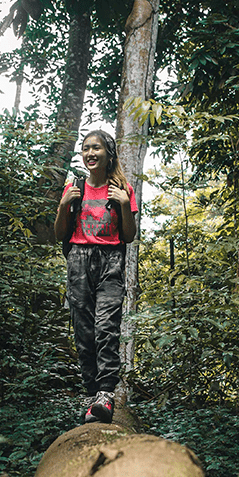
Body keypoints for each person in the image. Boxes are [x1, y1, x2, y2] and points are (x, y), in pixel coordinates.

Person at [54, 130, 138, 424]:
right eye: (86, 148)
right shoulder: (74, 186)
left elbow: (128, 235)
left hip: (111, 261)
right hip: (78, 260)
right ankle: (91, 395)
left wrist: (125, 205)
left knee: (106, 327)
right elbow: (59, 234)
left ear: (108, 153)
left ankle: (105, 394)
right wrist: (64, 205)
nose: (90, 153)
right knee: (84, 332)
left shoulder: (122, 189)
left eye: (96, 148)